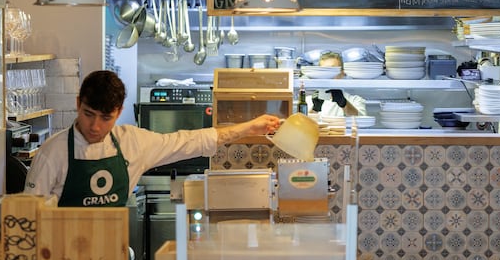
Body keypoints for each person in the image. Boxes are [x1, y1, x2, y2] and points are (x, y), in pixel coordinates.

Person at [24, 70, 281, 207]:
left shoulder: (131, 143)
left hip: (112, 256)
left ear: (119, 113)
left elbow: (191, 140)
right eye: (88, 114)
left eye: (106, 118)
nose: (94, 126)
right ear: (78, 104)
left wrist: (249, 127)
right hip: (60, 259)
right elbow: (28, 217)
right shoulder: (53, 152)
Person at [308, 51, 366, 117]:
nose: (329, 74)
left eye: (333, 70)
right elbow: (300, 125)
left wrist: (344, 103)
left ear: (343, 73)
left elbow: (362, 121)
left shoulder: (355, 100)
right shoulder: (308, 101)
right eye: (324, 70)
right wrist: (314, 109)